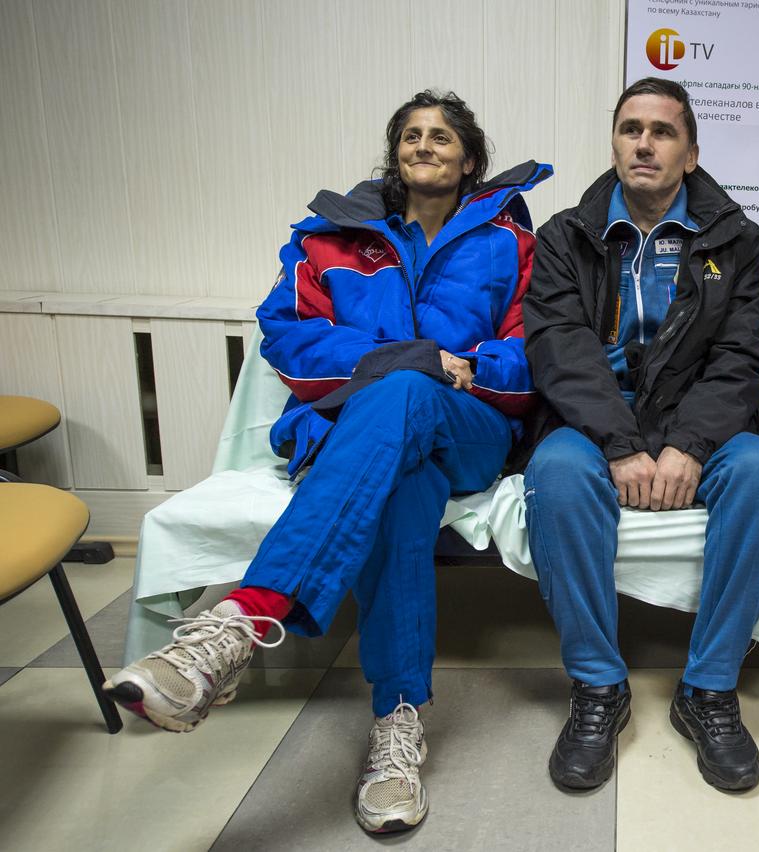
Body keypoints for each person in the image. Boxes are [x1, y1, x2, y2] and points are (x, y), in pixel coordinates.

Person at [104, 90, 551, 833]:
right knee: (403, 488)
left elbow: (530, 354)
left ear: (471, 159)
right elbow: (290, 338)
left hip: (469, 427)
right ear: (395, 153)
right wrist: (414, 358)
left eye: (442, 137)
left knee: (407, 394)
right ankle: (397, 724)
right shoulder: (327, 240)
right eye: (411, 135)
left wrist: (454, 368)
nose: (424, 145)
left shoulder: (510, 242)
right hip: (357, 431)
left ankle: (243, 619)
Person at [521, 77, 759, 793]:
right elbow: (559, 350)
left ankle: (709, 687)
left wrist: (689, 445)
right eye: (630, 129)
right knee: (555, 473)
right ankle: (597, 684)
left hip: (696, 417)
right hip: (596, 419)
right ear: (614, 144)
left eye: (662, 131)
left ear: (690, 154)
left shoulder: (737, 240)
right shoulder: (564, 236)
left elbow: (741, 358)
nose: (644, 144)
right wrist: (620, 444)